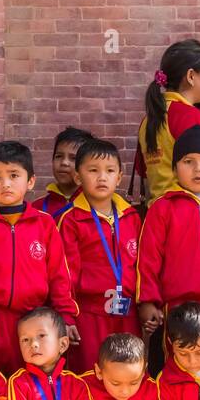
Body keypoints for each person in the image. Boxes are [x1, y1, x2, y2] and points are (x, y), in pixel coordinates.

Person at [0, 140, 77, 376]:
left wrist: (66, 316)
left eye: (14, 175)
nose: (5, 183)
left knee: (30, 383)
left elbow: (59, 274)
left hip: (33, 321)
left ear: (30, 181)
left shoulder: (44, 223)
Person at [136, 125, 200, 364]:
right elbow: (148, 257)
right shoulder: (162, 208)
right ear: (174, 168)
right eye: (188, 161)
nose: (198, 169)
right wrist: (148, 301)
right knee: (181, 366)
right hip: (178, 307)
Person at [58, 140, 142, 372]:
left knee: (129, 370)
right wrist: (67, 314)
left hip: (127, 311)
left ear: (120, 177)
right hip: (89, 313)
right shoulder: (72, 220)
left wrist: (146, 302)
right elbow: (65, 273)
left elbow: (141, 265)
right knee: (91, 370)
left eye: (109, 171)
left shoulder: (131, 217)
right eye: (93, 170)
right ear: (77, 177)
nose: (102, 177)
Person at [134, 39, 200, 206]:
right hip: (186, 213)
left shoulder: (147, 120)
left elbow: (145, 174)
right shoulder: (190, 117)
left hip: (157, 213)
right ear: (191, 76)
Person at [31, 127, 94, 222]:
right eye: (59, 156)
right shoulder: (36, 208)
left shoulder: (96, 205)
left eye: (73, 158)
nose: (64, 162)